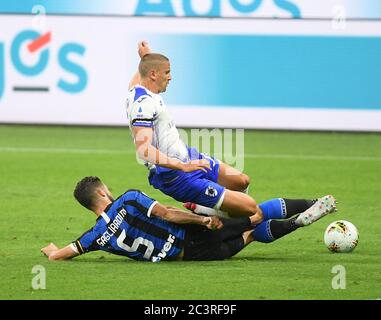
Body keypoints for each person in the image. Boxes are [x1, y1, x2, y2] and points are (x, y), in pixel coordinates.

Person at [41, 176, 337, 262]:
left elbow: (63, 255)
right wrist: (201, 219)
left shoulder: (95, 236)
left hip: (193, 256)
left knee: (248, 237)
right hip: (194, 236)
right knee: (254, 215)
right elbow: (168, 213)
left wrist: (52, 250)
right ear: (103, 191)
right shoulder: (128, 200)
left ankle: (296, 224)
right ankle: (307, 207)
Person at [126, 41, 262, 222]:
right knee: (251, 209)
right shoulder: (143, 105)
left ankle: (210, 210)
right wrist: (182, 166)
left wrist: (146, 57)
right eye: (167, 72)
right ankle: (220, 218)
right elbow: (144, 150)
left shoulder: (138, 89)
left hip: (188, 156)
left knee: (241, 181)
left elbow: (141, 74)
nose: (170, 77)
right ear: (153, 74)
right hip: (174, 176)